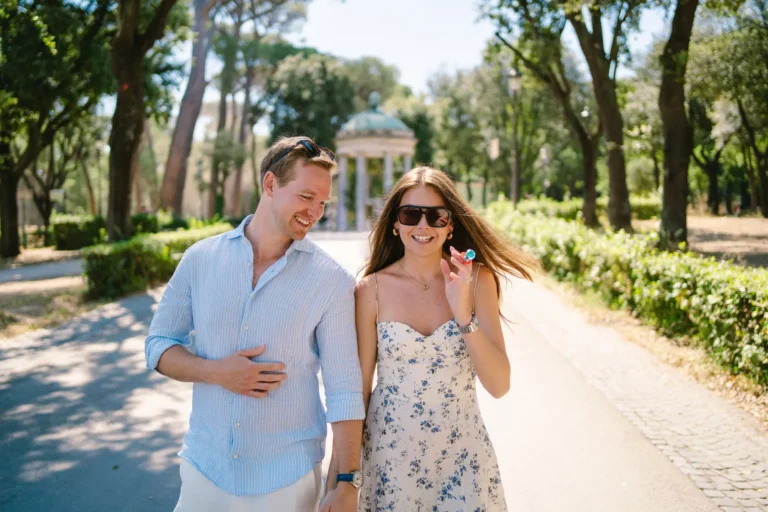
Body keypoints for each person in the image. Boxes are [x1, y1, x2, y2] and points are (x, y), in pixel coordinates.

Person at [144, 136, 365, 512]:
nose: (315, 212)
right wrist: (216, 372)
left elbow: (344, 390)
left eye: (323, 202)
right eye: (306, 196)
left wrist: (347, 480)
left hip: (286, 479)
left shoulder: (333, 281)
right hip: (204, 469)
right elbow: (159, 344)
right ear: (270, 184)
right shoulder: (200, 259)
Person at [334, 166, 538, 511]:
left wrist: (464, 315)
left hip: (463, 460)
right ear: (395, 224)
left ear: (450, 224)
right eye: (411, 214)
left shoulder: (477, 282)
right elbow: (358, 392)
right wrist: (342, 479)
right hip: (389, 462)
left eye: (436, 216)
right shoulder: (371, 291)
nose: (422, 226)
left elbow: (499, 385)